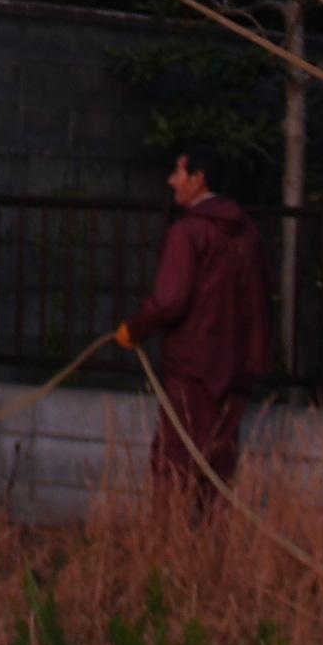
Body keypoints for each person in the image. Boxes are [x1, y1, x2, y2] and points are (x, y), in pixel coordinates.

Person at [112, 145, 272, 506]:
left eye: (178, 173)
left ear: (198, 178)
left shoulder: (188, 232)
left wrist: (135, 328)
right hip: (237, 364)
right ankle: (213, 538)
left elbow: (170, 300)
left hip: (193, 364)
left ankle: (168, 538)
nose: (172, 181)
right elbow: (264, 291)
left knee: (175, 458)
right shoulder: (248, 232)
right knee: (218, 460)